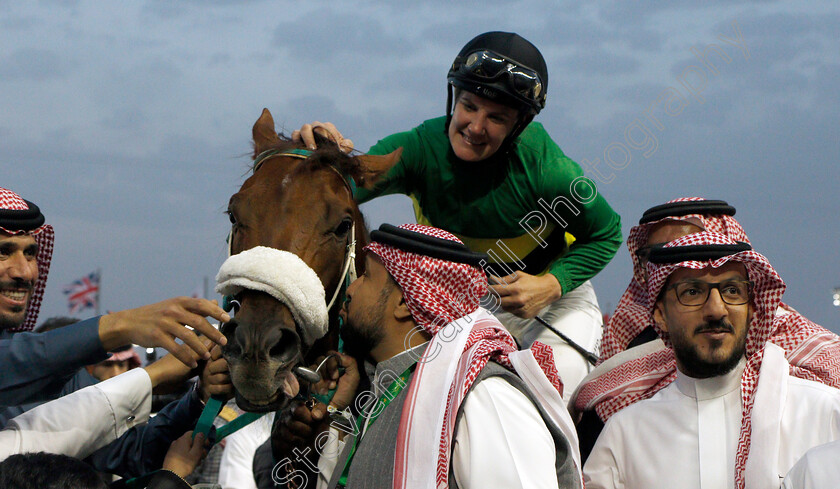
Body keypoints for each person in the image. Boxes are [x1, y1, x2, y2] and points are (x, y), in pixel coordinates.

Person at [293, 31, 623, 398]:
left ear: (519, 125)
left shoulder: (552, 171)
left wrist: (551, 284)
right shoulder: (420, 147)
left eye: (497, 117)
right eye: (469, 106)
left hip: (552, 302)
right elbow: (334, 192)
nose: (476, 127)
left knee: (550, 387)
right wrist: (311, 156)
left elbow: (607, 232)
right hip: (461, 304)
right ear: (454, 97)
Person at [268, 224, 582, 489]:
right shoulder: (380, 395)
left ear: (405, 302)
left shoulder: (485, 396)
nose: (351, 289)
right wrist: (327, 424)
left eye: (366, 276)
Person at [572, 198, 840, 460]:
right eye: (655, 255)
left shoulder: (813, 388)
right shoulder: (626, 345)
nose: (715, 310)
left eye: (731, 291)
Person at [0, 186, 233, 476]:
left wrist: (199, 397)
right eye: (3, 252)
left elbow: (128, 453)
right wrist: (121, 327)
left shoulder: (59, 377)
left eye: (31, 253)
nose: (24, 272)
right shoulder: (30, 362)